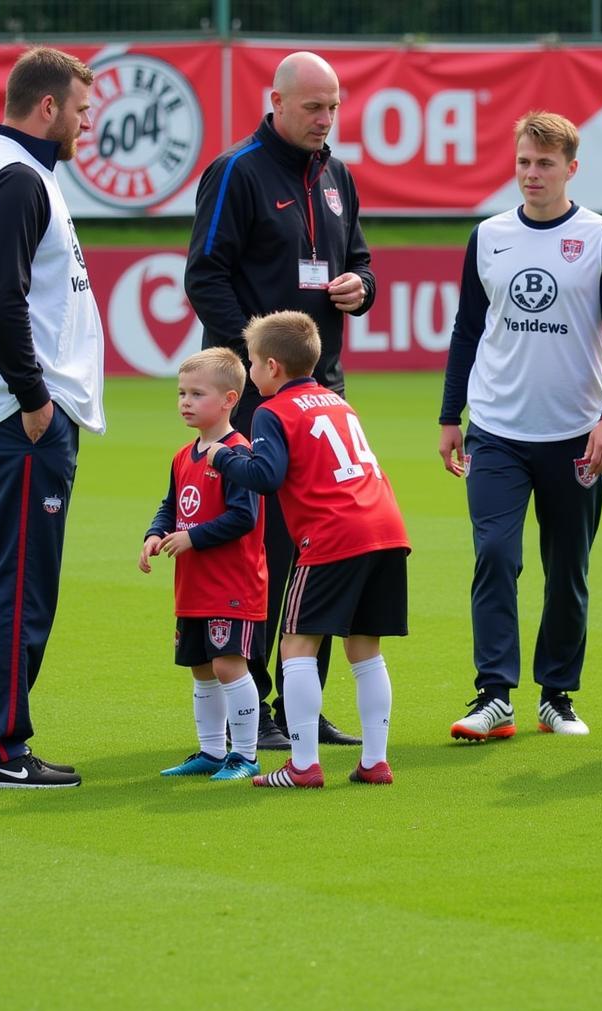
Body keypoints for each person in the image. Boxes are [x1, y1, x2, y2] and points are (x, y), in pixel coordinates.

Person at [184, 49, 375, 750]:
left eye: (333, 106)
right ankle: (256, 704)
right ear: (277, 102)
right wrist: (255, 365)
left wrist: (362, 286)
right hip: (258, 397)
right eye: (313, 107)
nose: (326, 120)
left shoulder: (338, 176)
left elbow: (358, 259)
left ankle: (303, 702)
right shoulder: (237, 170)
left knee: (318, 545)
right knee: (257, 549)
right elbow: (204, 275)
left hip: (320, 395)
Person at [439, 110, 602, 743]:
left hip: (576, 433)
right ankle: (493, 695)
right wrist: (451, 415)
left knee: (568, 569)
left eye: (545, 164)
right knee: (495, 555)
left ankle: (557, 695)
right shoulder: (489, 235)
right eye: (524, 162)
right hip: (496, 429)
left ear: (571, 169)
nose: (531, 174)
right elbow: (467, 329)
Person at [0, 47, 105, 789]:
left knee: (1, 578)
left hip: (8, 410)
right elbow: (1, 300)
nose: (84, 124)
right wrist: (35, 398)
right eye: (79, 111)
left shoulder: (14, 170)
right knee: (20, 585)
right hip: (19, 415)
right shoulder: (14, 177)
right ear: (47, 107)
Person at [206, 311, 409, 788]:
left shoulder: (271, 411)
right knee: (366, 649)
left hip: (333, 534)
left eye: (252, 362)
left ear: (272, 366)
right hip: (385, 528)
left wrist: (224, 456)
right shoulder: (338, 403)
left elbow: (266, 476)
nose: (250, 371)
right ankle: (375, 761)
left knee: (296, 644)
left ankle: (301, 765)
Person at [139, 349, 267, 781]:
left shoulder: (239, 454)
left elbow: (243, 517)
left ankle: (245, 754)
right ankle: (212, 752)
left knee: (228, 664)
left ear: (229, 399)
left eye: (197, 393)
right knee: (200, 665)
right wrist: (155, 534)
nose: (185, 402)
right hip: (192, 584)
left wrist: (192, 537)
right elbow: (172, 505)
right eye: (181, 393)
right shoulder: (182, 455)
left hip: (233, 583)